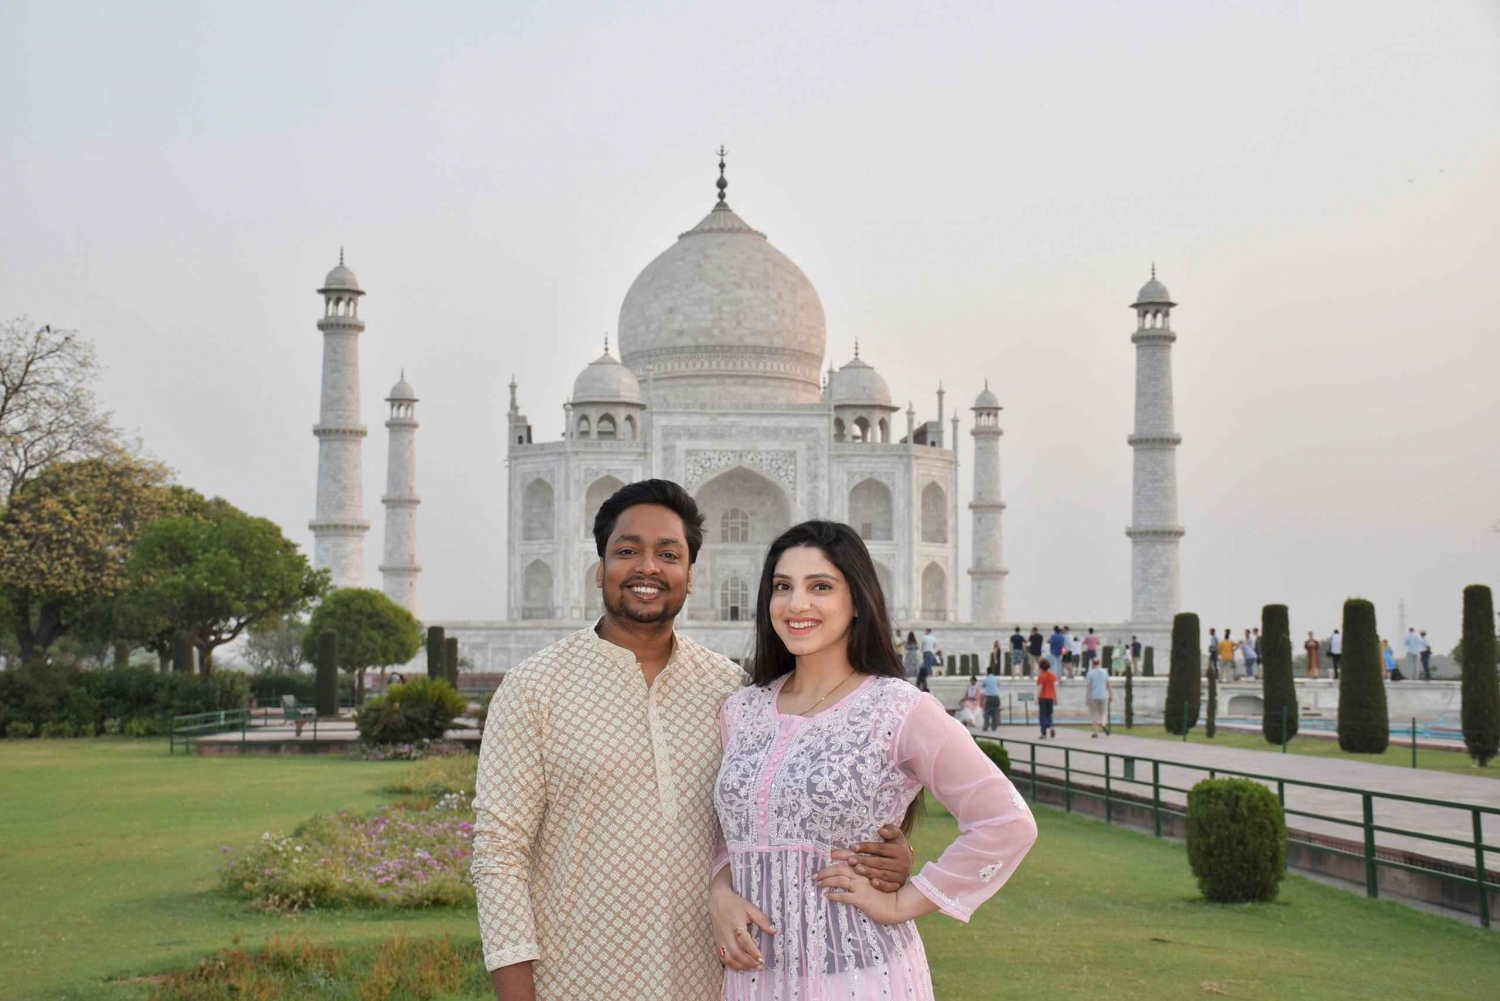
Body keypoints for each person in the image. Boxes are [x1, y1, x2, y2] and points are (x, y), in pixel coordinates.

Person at [471, 481, 913, 1001]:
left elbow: (790, 806)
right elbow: (498, 854)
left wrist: (887, 854)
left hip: (712, 982)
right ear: (599, 569)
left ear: (690, 576)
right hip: (574, 980)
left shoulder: (731, 692)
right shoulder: (534, 689)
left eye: (668, 554)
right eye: (627, 552)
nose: (647, 568)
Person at [710, 520, 1038, 998]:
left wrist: (901, 903)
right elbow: (732, 829)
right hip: (754, 979)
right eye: (783, 587)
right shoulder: (742, 710)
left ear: (858, 602)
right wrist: (720, 892)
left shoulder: (897, 709)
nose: (797, 604)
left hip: (859, 976)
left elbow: (1005, 821)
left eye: (820, 586)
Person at [1084, 656, 1111, 737]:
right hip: (1103, 695)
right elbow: (1108, 684)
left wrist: (1087, 696)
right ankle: (1103, 724)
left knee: (1094, 714)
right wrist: (1111, 694)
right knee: (1103, 712)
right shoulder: (1104, 672)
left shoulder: (1090, 673)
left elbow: (1089, 686)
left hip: (1093, 695)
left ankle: (1095, 732)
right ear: (1100, 663)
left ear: (1093, 664)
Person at [1035, 658, 1058, 738]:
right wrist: (1056, 697)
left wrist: (1037, 698)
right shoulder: (1053, 675)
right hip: (1051, 697)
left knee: (1042, 715)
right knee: (1049, 714)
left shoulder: (1041, 676)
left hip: (1043, 697)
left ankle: (1043, 733)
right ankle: (1051, 726)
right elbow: (1054, 687)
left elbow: (1040, 687)